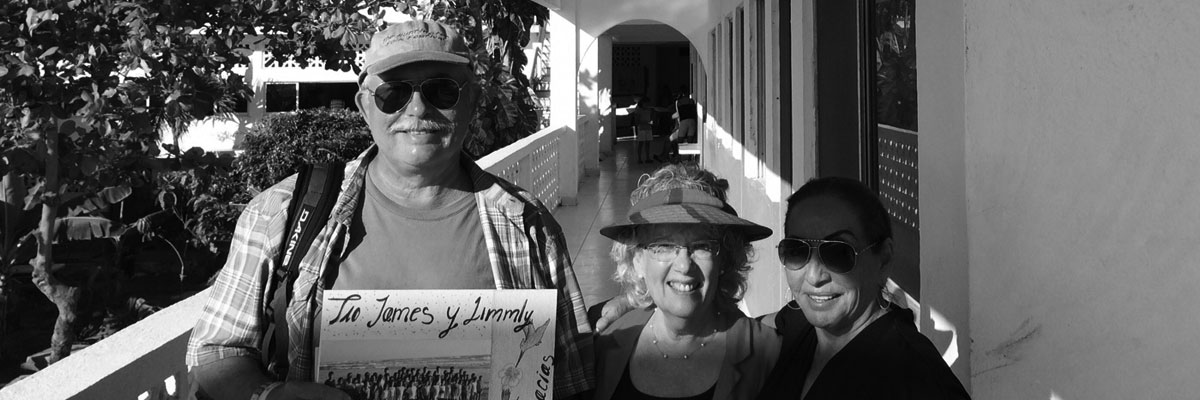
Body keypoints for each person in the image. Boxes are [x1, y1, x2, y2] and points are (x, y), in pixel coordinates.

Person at [186, 20, 594, 400]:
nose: (416, 110)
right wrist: (270, 395)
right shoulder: (280, 213)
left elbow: (570, 374)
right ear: (365, 106)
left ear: (470, 102)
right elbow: (214, 351)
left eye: (441, 91)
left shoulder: (527, 222)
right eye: (393, 93)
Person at [756, 176, 970, 399]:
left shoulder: (915, 379)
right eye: (796, 250)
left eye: (839, 253)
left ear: (884, 260)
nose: (813, 276)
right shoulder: (800, 325)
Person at [592, 164, 781, 400]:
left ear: (725, 259)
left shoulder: (768, 354)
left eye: (702, 246)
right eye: (664, 246)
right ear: (637, 260)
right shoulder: (606, 346)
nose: (684, 265)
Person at [662, 88, 698, 162]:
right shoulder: (691, 101)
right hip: (692, 123)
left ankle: (676, 158)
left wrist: (671, 116)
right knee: (689, 141)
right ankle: (689, 159)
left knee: (676, 140)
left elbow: (679, 114)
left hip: (683, 124)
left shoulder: (678, 102)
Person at [631, 96, 656, 164]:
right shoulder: (638, 110)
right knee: (641, 144)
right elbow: (637, 121)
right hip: (641, 128)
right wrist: (645, 122)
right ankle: (639, 158)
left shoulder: (649, 109)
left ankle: (647, 157)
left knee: (648, 143)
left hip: (648, 128)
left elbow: (651, 116)